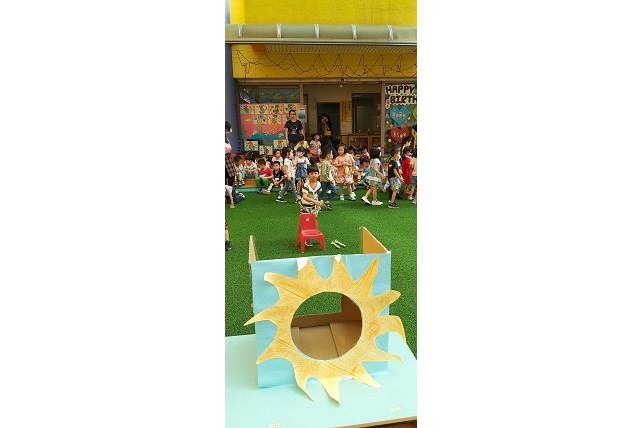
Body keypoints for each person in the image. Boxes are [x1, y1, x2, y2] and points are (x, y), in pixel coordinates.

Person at [225, 121, 235, 187]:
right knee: (231, 173)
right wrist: (228, 144)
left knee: (230, 173)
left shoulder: (225, 136)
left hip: (227, 156)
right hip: (226, 157)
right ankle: (229, 189)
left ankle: (229, 189)